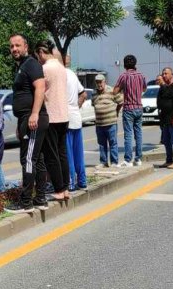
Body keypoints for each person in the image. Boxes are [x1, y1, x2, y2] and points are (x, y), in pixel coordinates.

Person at [5, 33, 50, 213]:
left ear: (26, 47)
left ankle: (25, 202)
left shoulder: (31, 64)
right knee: (37, 159)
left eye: (17, 45)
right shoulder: (22, 66)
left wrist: (34, 114)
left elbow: (40, 87)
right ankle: (40, 199)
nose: (14, 49)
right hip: (26, 119)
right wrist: (19, 123)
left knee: (28, 159)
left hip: (34, 118)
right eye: (11, 46)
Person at [36, 41, 71, 202]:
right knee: (62, 153)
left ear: (41, 52)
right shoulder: (61, 68)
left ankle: (59, 188)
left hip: (51, 115)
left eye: (38, 55)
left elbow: (40, 92)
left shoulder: (45, 69)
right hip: (64, 115)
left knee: (52, 155)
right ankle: (66, 188)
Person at [113, 54, 146, 167]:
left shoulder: (124, 76)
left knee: (128, 135)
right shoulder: (141, 75)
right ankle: (138, 159)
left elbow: (115, 91)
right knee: (139, 133)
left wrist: (123, 89)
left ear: (125, 64)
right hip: (139, 107)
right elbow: (144, 88)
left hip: (128, 108)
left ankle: (128, 159)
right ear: (135, 63)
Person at [63, 53, 88, 190]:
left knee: (68, 154)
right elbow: (83, 94)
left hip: (65, 118)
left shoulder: (60, 74)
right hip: (76, 117)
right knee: (78, 153)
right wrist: (75, 106)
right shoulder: (72, 74)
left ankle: (71, 183)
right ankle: (82, 181)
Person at [91, 74, 123, 168]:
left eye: (100, 82)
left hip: (111, 122)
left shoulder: (111, 90)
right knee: (101, 144)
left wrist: (116, 112)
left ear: (104, 81)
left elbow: (120, 102)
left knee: (113, 143)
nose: (99, 84)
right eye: (97, 82)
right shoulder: (93, 93)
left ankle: (114, 162)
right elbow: (94, 105)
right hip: (99, 124)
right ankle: (103, 162)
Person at [156, 67, 173, 169]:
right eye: (163, 74)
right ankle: (169, 160)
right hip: (165, 119)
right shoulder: (163, 87)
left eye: (166, 73)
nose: (164, 75)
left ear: (172, 74)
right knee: (166, 141)